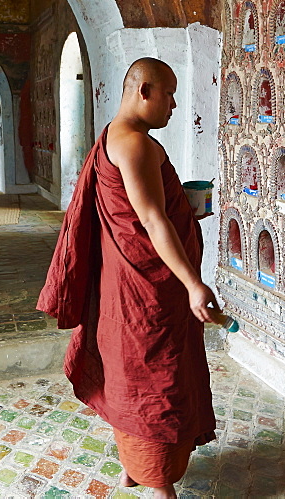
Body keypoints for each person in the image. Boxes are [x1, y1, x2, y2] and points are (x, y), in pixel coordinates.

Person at [38, 57, 218, 499]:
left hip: (128, 285)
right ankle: (159, 483)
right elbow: (154, 222)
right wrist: (195, 284)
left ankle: (132, 469)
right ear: (144, 92)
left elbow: (146, 213)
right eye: (169, 94)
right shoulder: (133, 144)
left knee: (128, 375)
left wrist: (184, 211)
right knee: (158, 380)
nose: (175, 104)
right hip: (148, 290)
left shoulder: (112, 139)